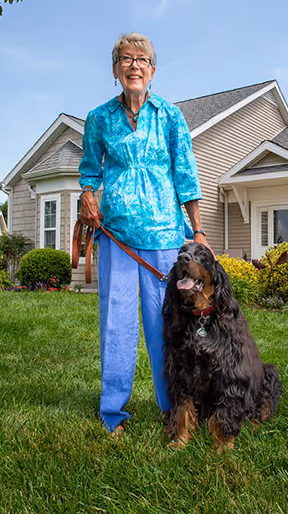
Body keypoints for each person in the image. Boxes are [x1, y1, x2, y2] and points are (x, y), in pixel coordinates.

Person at [78, 32, 208, 436]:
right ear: (116, 69)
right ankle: (113, 412)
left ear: (152, 70)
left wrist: (198, 230)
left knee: (165, 325)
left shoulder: (170, 116)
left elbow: (186, 175)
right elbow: (89, 169)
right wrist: (87, 194)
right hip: (115, 235)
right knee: (116, 325)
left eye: (141, 60)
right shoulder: (99, 118)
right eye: (125, 59)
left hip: (166, 235)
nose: (134, 65)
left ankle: (173, 407)